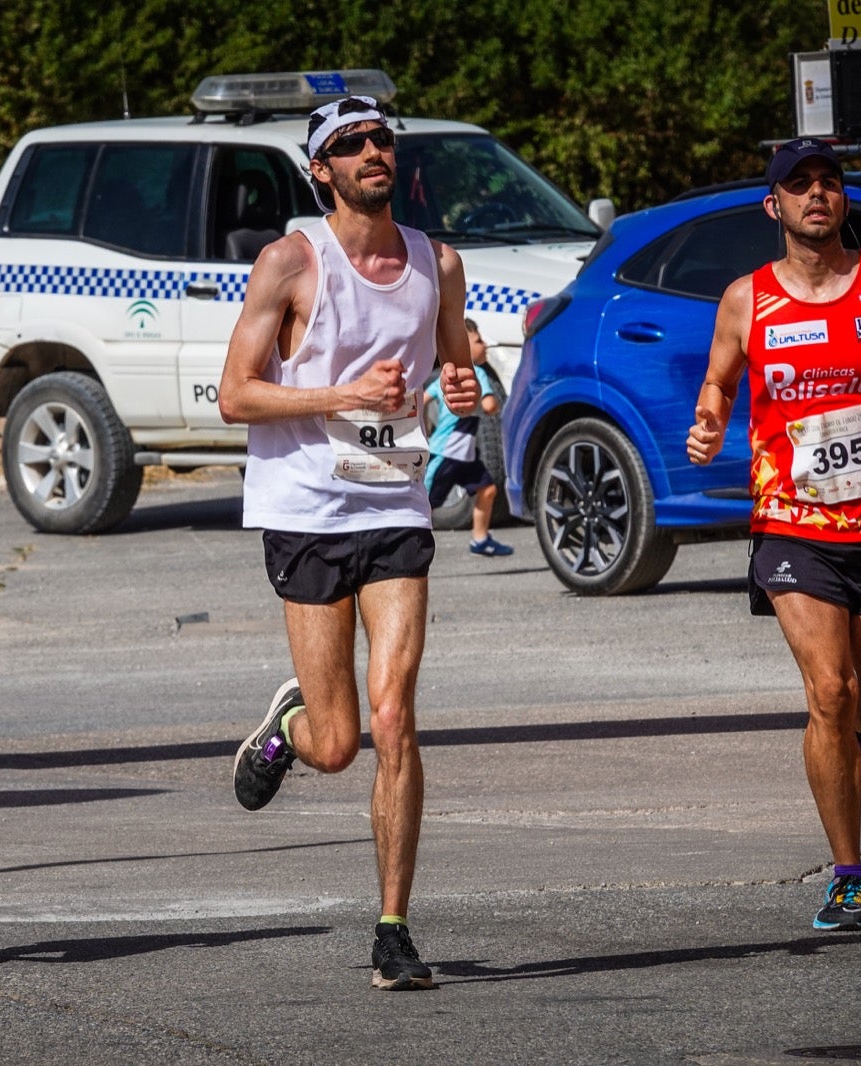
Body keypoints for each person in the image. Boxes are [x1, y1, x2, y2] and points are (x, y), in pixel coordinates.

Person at [218, 95, 480, 990]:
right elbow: (235, 395)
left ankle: (394, 928)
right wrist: (340, 397)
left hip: (394, 507)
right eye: (351, 144)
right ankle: (290, 726)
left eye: (381, 140)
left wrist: (462, 390)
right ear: (320, 168)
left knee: (395, 715)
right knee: (339, 743)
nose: (374, 151)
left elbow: (452, 363)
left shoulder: (436, 262)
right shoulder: (292, 263)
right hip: (305, 510)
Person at [686, 139, 861, 931]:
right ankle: (849, 872)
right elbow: (718, 380)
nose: (818, 195)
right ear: (773, 205)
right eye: (800, 185)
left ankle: (860, 744)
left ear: (843, 201)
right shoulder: (748, 299)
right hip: (791, 524)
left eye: (830, 184)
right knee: (829, 692)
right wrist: (708, 422)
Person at [425, 318, 512, 556]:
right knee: (424, 504)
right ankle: (407, 547)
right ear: (462, 344)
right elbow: (491, 404)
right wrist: (485, 404)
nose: (484, 345)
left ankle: (480, 539)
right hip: (445, 452)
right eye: (478, 340)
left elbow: (424, 397)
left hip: (464, 455)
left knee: (488, 490)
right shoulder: (478, 373)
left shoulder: (447, 374)